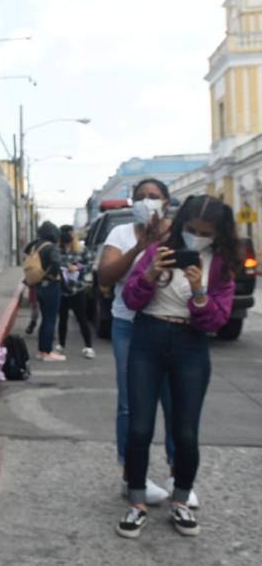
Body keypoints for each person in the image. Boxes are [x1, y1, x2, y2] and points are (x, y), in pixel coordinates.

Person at [115, 195, 235, 539]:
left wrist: (198, 290)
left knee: (185, 431)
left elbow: (216, 320)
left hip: (190, 345)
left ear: (217, 232)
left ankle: (180, 501)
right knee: (139, 427)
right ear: (181, 224)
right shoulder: (157, 251)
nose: (196, 237)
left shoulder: (221, 264)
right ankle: (136, 502)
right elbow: (131, 300)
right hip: (148, 337)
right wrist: (151, 273)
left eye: (205, 232)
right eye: (191, 229)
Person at [97, 178, 180, 505]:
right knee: (130, 403)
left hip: (171, 327)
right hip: (129, 326)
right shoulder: (120, 234)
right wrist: (139, 247)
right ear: (132, 202)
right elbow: (105, 278)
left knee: (174, 402)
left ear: (167, 201)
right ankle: (132, 475)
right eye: (141, 197)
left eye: (154, 197)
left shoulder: (180, 232)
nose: (148, 202)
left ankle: (178, 474)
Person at [57, 224, 94, 358]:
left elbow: (90, 263)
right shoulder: (57, 250)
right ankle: (61, 345)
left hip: (78, 289)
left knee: (82, 319)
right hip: (62, 290)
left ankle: (88, 347)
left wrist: (77, 267)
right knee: (62, 319)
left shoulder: (81, 249)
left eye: (70, 233)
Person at [31, 221, 65, 361]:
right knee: (51, 319)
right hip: (51, 286)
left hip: (39, 285)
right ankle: (47, 352)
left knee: (45, 319)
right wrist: (52, 274)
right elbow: (56, 263)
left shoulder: (36, 246)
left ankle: (41, 351)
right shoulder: (51, 247)